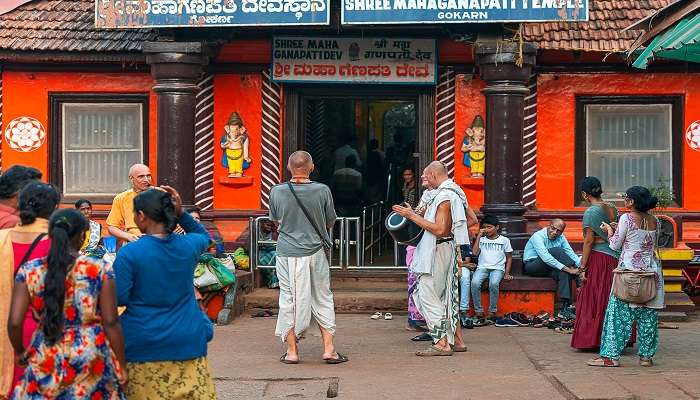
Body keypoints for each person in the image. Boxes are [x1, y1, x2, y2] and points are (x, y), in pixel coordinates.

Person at [7, 208, 127, 398]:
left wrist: (21, 352)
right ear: (82, 236)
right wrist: (121, 364)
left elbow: (14, 322)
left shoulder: (30, 270)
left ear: (51, 234)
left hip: (46, 351)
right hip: (90, 354)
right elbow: (111, 321)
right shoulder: (99, 269)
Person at [114, 187, 217, 398]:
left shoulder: (130, 253)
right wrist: (181, 214)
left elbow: (120, 297)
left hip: (143, 345)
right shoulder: (188, 245)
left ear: (141, 216)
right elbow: (205, 237)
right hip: (188, 341)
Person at [269, 151, 347, 364]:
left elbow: (275, 222)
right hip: (315, 253)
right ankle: (329, 349)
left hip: (286, 253)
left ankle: (292, 352)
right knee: (322, 296)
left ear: (288, 167)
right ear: (311, 167)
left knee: (288, 299)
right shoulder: (322, 190)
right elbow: (330, 222)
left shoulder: (276, 191)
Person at [392, 161, 469, 356]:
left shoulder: (445, 196)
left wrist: (411, 215)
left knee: (427, 295)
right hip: (444, 249)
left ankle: (442, 343)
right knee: (446, 297)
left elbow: (441, 229)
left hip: (437, 250)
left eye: (426, 176)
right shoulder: (451, 193)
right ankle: (457, 341)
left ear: (434, 174)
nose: (424, 180)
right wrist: (419, 213)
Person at [588, 186, 664, 368]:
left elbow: (615, 246)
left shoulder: (626, 218)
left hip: (628, 273)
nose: (624, 200)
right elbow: (647, 243)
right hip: (651, 273)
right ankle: (646, 357)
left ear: (631, 202)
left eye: (626, 198)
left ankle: (610, 357)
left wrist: (609, 230)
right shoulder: (656, 220)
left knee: (618, 317)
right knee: (648, 317)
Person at [0, 182, 59, 398]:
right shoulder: (56, 244)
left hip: (6, 327)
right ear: (54, 208)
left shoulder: (2, 238)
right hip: (38, 330)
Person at [571, 177, 627, 349]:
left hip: (599, 257)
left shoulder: (590, 212)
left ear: (584, 194)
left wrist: (581, 267)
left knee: (594, 296)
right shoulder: (612, 207)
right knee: (612, 297)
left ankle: (592, 339)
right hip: (615, 257)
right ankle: (617, 338)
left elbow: (588, 241)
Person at [523, 219, 581, 320]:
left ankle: (565, 308)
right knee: (556, 251)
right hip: (533, 266)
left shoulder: (561, 238)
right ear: (549, 225)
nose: (554, 232)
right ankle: (577, 278)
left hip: (549, 267)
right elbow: (546, 258)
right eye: (553, 228)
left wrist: (581, 268)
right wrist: (570, 269)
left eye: (558, 231)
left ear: (561, 232)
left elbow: (571, 254)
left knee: (564, 273)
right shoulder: (538, 236)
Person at [469, 215, 513, 325]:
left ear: (497, 227)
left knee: (493, 284)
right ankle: (479, 311)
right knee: (474, 283)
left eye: (489, 227)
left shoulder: (504, 240)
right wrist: (479, 235)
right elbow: (475, 253)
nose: (486, 230)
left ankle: (492, 311)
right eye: (484, 227)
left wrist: (507, 273)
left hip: (498, 269)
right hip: (482, 267)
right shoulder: (482, 239)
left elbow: (509, 257)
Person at [106, 163, 152, 244]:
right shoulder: (122, 198)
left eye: (148, 176)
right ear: (131, 178)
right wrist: (128, 236)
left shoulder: (161, 194)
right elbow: (112, 227)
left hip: (158, 241)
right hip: (134, 241)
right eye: (141, 176)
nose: (146, 180)